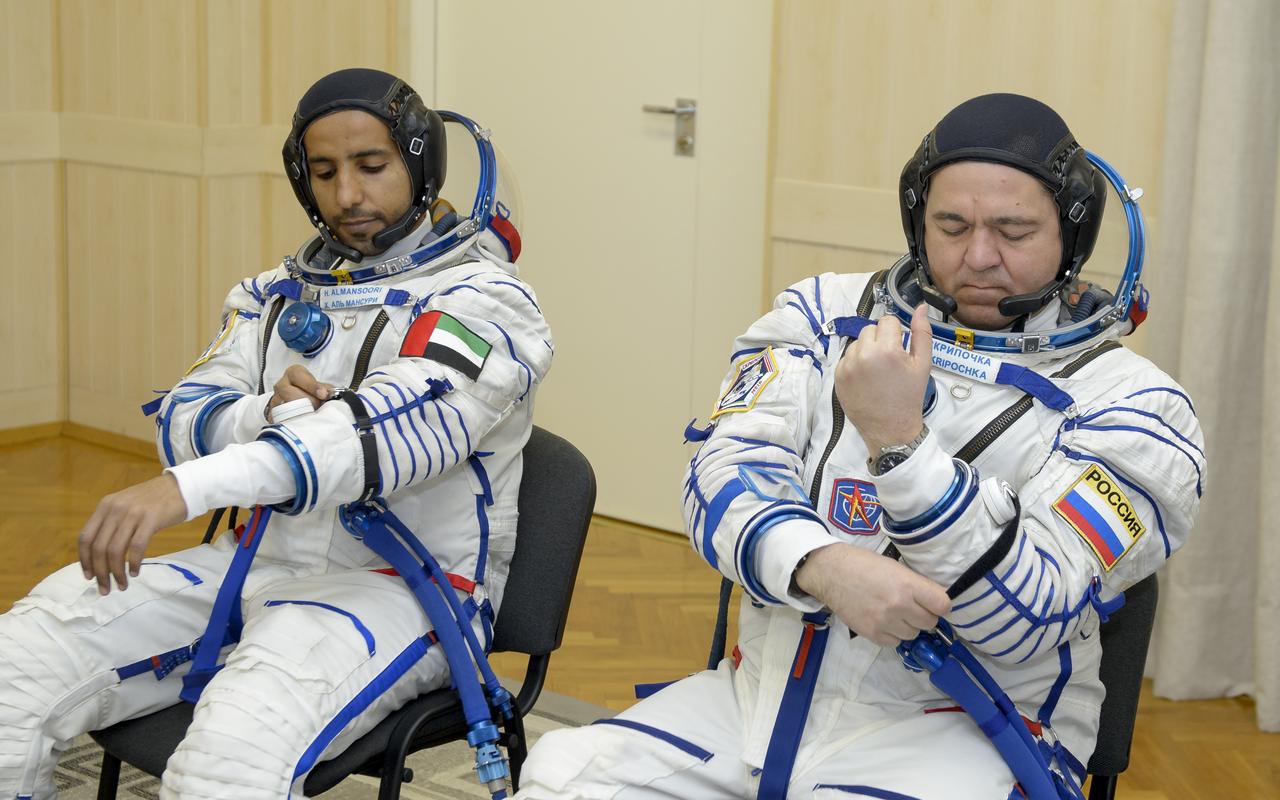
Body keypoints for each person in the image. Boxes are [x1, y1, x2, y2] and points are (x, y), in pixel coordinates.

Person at [515, 93, 1204, 799]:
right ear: (917, 223)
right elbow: (717, 480)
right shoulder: (822, 316)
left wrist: (902, 446)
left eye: (1014, 230)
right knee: (561, 777)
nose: (977, 256)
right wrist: (822, 564)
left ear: (1071, 237)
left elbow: (1025, 617)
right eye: (951, 225)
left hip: (968, 732)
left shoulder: (1139, 409)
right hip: (759, 702)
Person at [0, 67, 551, 799]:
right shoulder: (273, 295)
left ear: (421, 163)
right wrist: (263, 414)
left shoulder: (487, 304)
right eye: (323, 172)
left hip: (402, 589)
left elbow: (374, 441)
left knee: (227, 759)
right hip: (259, 563)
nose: (347, 195)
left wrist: (182, 491)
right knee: (24, 658)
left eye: (371, 166)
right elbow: (185, 416)